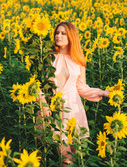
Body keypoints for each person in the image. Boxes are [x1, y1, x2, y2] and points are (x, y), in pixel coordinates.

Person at [42, 21, 109, 166]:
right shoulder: (49, 57)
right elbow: (41, 84)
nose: (58, 36)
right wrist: (43, 104)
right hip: (55, 108)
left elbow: (81, 87)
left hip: (74, 109)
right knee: (65, 158)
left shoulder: (78, 60)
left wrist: (102, 92)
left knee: (74, 155)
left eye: (63, 33)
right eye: (57, 33)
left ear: (71, 36)